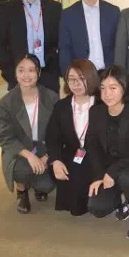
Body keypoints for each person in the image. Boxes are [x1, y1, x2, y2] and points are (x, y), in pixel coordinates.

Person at [85, 65, 129, 240]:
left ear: (124, 88)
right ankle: (123, 199)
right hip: (109, 169)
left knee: (127, 177)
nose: (107, 94)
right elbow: (92, 145)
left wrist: (112, 171)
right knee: (97, 208)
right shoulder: (96, 112)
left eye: (113, 88)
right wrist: (98, 175)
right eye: (103, 88)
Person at [0, 54, 59, 214]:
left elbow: (59, 132)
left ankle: (38, 185)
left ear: (38, 73)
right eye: (21, 70)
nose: (26, 75)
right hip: (20, 151)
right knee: (21, 171)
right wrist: (29, 156)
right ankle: (22, 190)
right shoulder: (5, 103)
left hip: (44, 149)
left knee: (48, 184)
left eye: (31, 70)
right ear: (15, 73)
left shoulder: (52, 98)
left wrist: (47, 156)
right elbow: (5, 137)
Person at [0, 0, 62, 93]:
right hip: (19, 76)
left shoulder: (54, 8)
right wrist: (9, 73)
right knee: (22, 107)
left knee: (50, 107)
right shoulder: (8, 8)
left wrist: (57, 68)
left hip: (48, 74)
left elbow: (62, 41)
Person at [45, 59, 100, 216]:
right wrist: (55, 160)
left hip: (98, 157)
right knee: (67, 170)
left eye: (81, 79)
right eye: (71, 79)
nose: (76, 84)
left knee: (94, 201)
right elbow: (52, 137)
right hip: (72, 154)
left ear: (91, 78)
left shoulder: (102, 105)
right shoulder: (61, 106)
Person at [59, 0, 120, 75]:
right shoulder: (68, 14)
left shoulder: (113, 12)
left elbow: (119, 46)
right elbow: (65, 49)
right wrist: (69, 75)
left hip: (108, 73)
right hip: (81, 74)